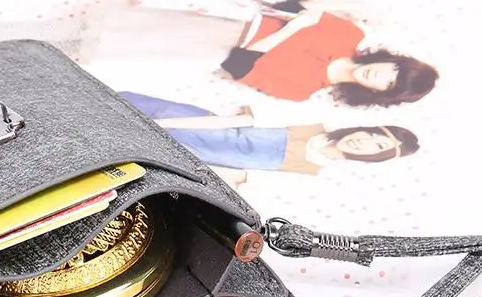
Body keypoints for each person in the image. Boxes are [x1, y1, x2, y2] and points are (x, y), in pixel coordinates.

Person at [121, 92, 419, 176]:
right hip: (187, 123)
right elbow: (233, 122)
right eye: (372, 135)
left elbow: (238, 173)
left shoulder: (311, 170)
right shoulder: (310, 122)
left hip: (186, 155)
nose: (364, 142)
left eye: (376, 148)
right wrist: (166, 126)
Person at [220, 7, 437, 106]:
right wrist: (357, 7)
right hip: (237, 12)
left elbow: (235, 65)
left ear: (377, 92)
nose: (379, 74)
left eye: (389, 83)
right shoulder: (352, 34)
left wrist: (293, 28)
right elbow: (291, 5)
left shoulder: (300, 92)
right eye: (395, 70)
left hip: (217, 50)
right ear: (391, 61)